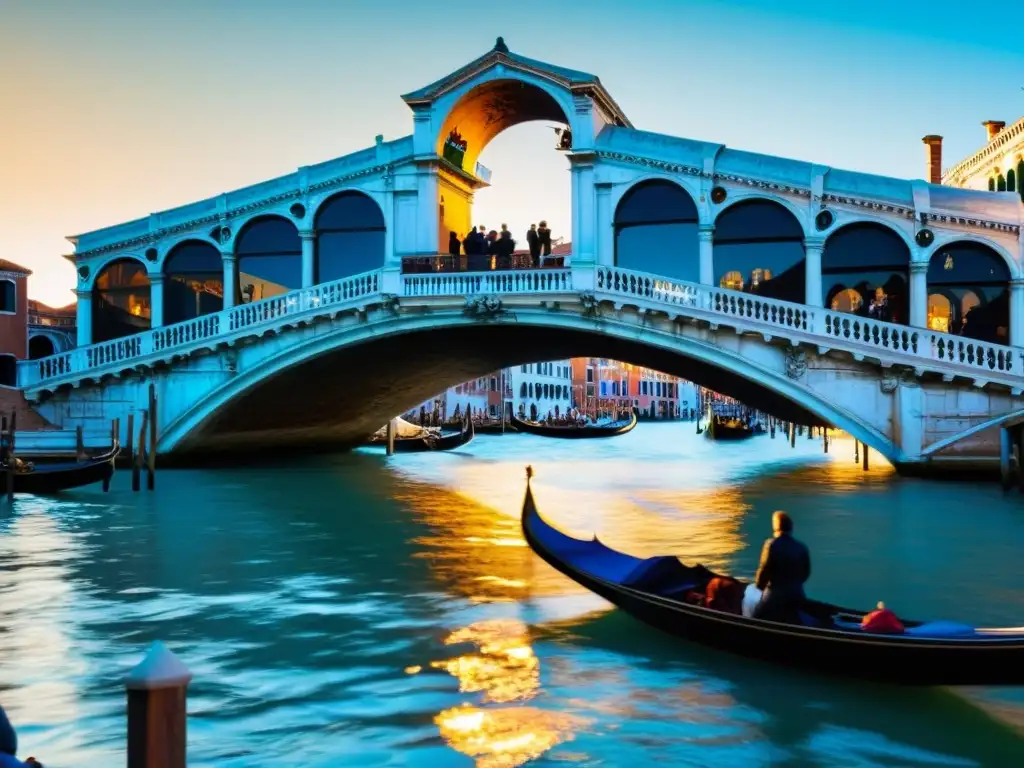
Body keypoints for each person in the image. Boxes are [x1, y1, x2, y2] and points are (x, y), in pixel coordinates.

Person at [752, 511, 810, 624]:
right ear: (790, 527)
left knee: (755, 619)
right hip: (797, 594)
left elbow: (764, 570)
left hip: (775, 597)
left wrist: (759, 587)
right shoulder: (801, 547)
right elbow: (806, 573)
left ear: (776, 526)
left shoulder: (771, 544)